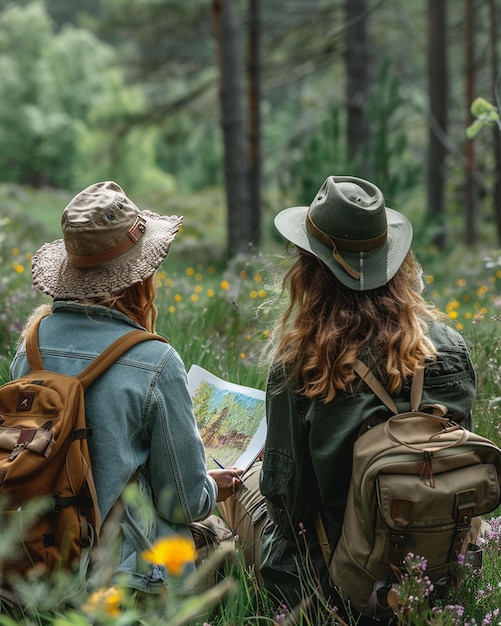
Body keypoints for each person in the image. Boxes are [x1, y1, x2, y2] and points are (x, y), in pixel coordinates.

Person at [221, 175, 477, 624]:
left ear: (309, 268)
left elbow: (288, 508)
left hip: (334, 586)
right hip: (438, 578)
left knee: (241, 486)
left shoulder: (303, 362)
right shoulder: (449, 346)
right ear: (393, 262)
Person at [10, 181, 241, 593]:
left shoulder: (31, 346)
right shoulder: (155, 362)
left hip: (35, 563)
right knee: (224, 543)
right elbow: (181, 503)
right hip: (128, 582)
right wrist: (211, 487)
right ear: (139, 277)